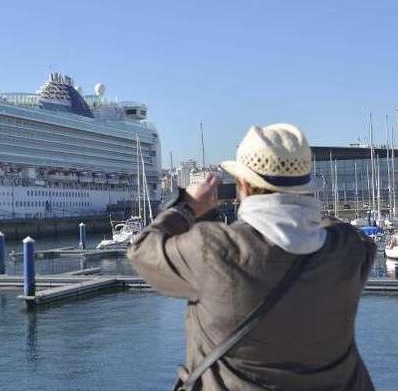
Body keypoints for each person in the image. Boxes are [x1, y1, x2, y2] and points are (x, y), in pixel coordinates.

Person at [128, 123, 376, 390]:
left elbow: (143, 250)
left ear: (243, 184)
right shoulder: (349, 248)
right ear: (305, 186)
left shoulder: (212, 249)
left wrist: (187, 207)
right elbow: (336, 231)